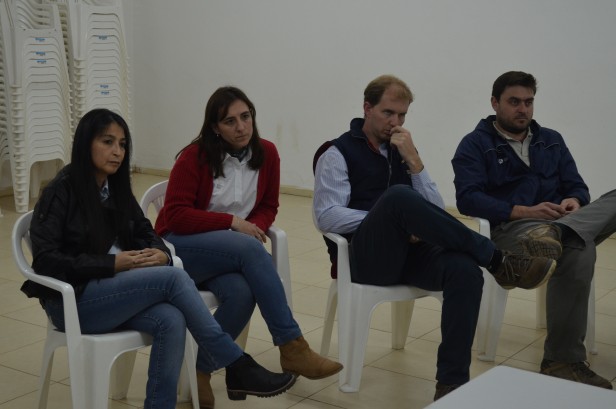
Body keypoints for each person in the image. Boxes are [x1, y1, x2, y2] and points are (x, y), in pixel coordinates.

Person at [19, 108, 297, 409]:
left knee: (171, 319)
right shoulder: (61, 190)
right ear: (86, 144)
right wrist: (113, 263)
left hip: (113, 292)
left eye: (122, 144)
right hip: (74, 301)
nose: (117, 152)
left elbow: (145, 230)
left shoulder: (114, 186)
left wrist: (160, 253)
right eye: (107, 142)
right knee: (173, 278)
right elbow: (45, 262)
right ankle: (236, 363)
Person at [313, 74, 558, 401]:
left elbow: (434, 210)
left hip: (410, 255)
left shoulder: (403, 150)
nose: (396, 123)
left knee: (465, 271)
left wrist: (414, 162)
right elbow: (327, 216)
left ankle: (451, 386)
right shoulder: (337, 152)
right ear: (367, 108)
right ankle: (497, 258)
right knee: (398, 198)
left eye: (402, 115)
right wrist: (393, 220)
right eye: (388, 113)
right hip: (365, 260)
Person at [155, 87, 342, 408]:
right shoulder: (194, 157)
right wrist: (233, 223)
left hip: (229, 252)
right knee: (252, 250)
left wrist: (251, 226)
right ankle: (292, 346)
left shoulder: (266, 153)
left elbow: (268, 205)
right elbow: (176, 216)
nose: (241, 127)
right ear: (215, 127)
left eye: (246, 117)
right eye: (230, 121)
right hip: (180, 247)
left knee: (242, 292)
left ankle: (200, 370)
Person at [452, 71, 615, 389]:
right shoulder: (475, 144)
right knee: (581, 249)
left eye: (528, 102)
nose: (523, 109)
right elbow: (467, 199)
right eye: (514, 102)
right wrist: (524, 211)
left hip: (558, 223)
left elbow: (577, 186)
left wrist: (573, 200)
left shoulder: (551, 139)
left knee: (596, 216)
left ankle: (561, 232)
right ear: (495, 103)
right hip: (513, 231)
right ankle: (562, 360)